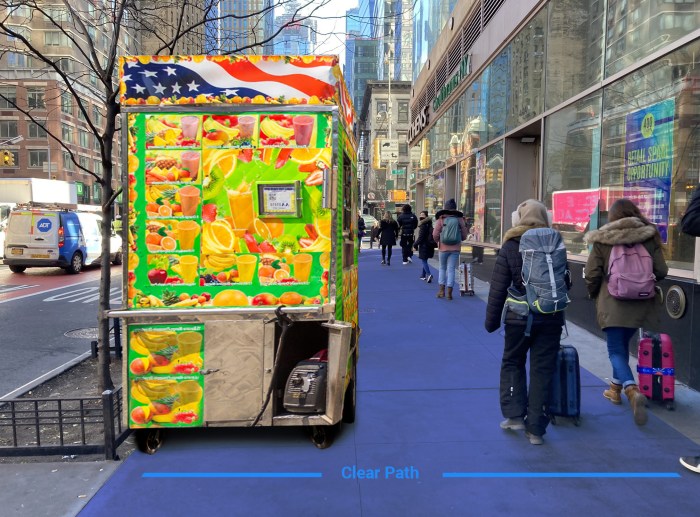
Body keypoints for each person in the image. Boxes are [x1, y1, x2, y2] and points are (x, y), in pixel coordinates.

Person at [484, 199, 565, 445]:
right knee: (542, 370)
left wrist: (491, 321)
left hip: (518, 318)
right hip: (551, 317)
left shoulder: (510, 244)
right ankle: (536, 430)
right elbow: (565, 282)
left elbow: (498, 287)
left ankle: (514, 416)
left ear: (517, 219)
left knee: (512, 363)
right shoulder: (555, 243)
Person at [584, 198, 668, 427]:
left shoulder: (603, 239)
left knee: (615, 350)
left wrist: (594, 293)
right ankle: (614, 389)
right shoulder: (648, 236)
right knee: (622, 346)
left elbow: (592, 273)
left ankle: (631, 390)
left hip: (612, 302)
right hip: (641, 303)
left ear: (612, 217)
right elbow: (661, 270)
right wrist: (643, 281)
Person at [432, 199, 467, 300]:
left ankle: (441, 291)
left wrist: (439, 241)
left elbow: (435, 234)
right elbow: (464, 233)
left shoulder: (441, 219)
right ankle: (449, 293)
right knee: (451, 269)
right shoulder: (460, 219)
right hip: (455, 248)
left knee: (442, 268)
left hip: (443, 248)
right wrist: (461, 238)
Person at [413, 210, 435, 282]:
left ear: (426, 216)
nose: (421, 216)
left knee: (424, 260)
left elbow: (421, 237)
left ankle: (429, 274)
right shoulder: (429, 224)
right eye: (420, 215)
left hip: (424, 245)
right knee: (425, 260)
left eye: (423, 215)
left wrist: (415, 244)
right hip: (430, 245)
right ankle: (423, 275)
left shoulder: (423, 225)